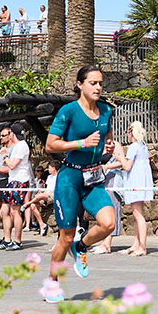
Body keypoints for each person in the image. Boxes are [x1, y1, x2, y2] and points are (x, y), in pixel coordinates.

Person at [42, 65, 116, 303]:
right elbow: (51, 145)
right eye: (93, 83)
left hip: (93, 177)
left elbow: (107, 136)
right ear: (80, 84)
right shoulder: (69, 111)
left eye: (100, 83)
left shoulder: (106, 110)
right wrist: (80, 143)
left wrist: (110, 145)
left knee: (109, 223)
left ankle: (81, 247)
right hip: (70, 177)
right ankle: (52, 284)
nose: (98, 87)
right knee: (65, 236)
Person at [0, 123, 32, 251]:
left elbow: (12, 165)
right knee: (4, 210)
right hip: (12, 180)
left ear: (12, 134)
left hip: (20, 181)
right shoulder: (17, 146)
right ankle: (7, 239)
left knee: (15, 211)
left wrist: (5, 155)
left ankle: (17, 241)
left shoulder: (22, 146)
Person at [121, 121, 153, 257]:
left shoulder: (134, 146)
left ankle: (142, 247)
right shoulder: (143, 146)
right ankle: (136, 244)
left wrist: (120, 157)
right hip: (142, 182)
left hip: (136, 182)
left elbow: (127, 166)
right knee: (137, 215)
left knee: (138, 215)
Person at [95, 134, 129, 254]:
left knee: (113, 209)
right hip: (101, 180)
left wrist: (107, 166)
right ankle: (103, 241)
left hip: (113, 179)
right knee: (103, 210)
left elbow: (122, 162)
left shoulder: (115, 145)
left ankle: (107, 243)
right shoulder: (99, 145)